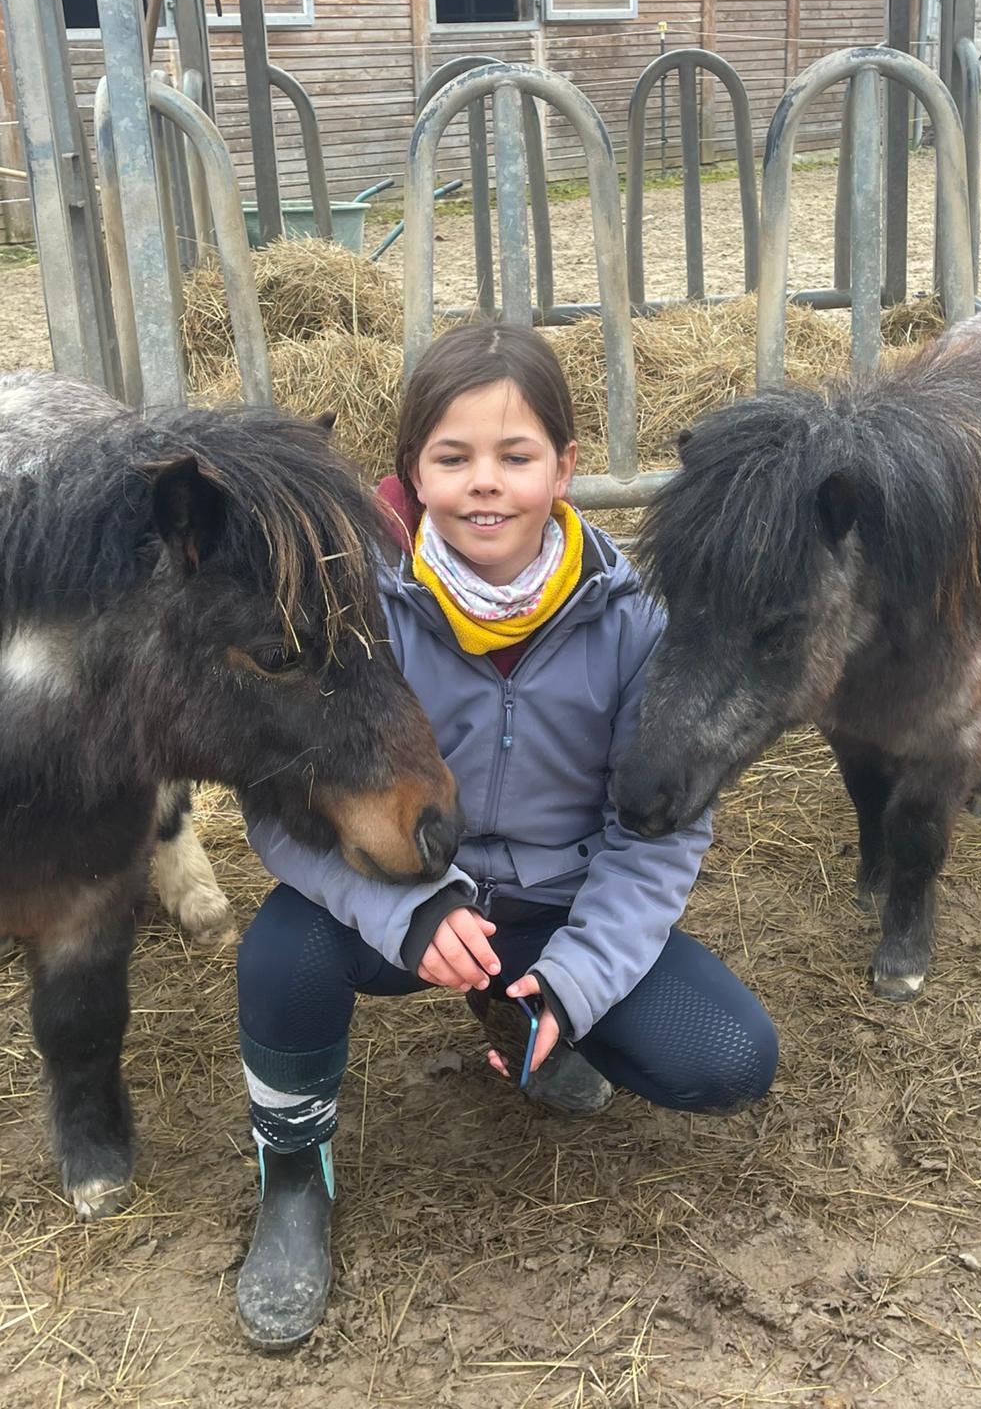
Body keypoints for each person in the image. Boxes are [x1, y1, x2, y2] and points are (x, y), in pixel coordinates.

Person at [234, 321, 779, 1350]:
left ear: (565, 469)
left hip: (552, 914)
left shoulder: (635, 620)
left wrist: (574, 980)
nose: (485, 483)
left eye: (516, 455)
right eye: (453, 457)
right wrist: (409, 911)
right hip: (407, 903)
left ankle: (521, 1012)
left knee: (728, 1057)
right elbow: (277, 806)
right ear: (413, 473)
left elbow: (656, 834)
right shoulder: (355, 608)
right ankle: (294, 1174)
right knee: (283, 952)